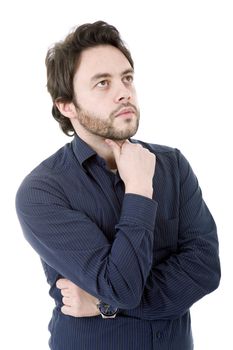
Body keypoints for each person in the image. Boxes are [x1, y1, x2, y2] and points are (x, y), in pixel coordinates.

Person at [15, 21, 220, 350]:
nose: (124, 91)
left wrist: (103, 305)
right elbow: (122, 286)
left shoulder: (173, 165)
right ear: (66, 105)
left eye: (127, 78)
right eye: (102, 83)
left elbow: (205, 268)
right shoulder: (42, 192)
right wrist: (139, 189)